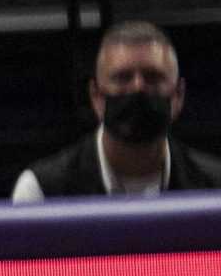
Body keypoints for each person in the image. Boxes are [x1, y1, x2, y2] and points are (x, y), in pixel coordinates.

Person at [12, 20, 219, 200]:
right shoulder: (41, 192)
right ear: (96, 96)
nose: (138, 88)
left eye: (153, 77)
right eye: (122, 78)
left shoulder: (215, 189)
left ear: (178, 95)